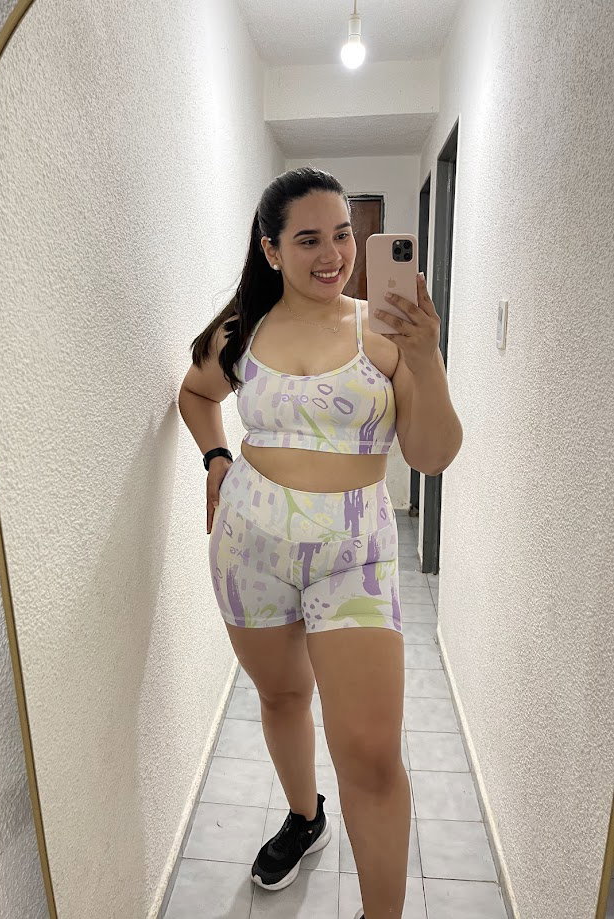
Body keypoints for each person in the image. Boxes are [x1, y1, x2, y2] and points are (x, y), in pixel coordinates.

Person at [178, 165, 463, 919]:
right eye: (308, 240)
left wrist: (427, 357)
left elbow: (432, 454)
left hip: (353, 557)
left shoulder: (386, 332)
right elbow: (196, 392)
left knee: (370, 753)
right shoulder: (242, 330)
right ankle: (304, 818)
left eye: (342, 234)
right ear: (271, 249)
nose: (332, 254)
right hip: (248, 548)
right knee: (281, 695)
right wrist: (215, 457)